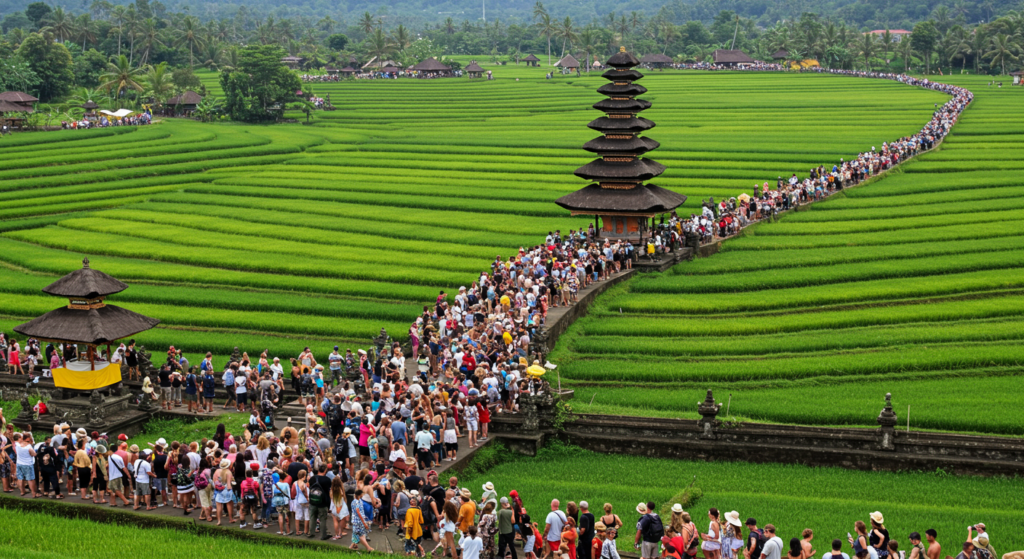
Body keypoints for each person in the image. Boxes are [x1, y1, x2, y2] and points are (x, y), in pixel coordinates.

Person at [330, 476, 349, 540]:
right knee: (341, 521)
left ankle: (336, 534)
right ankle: (340, 533)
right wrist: (339, 510)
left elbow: (332, 499)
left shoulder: (331, 490)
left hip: (333, 508)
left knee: (335, 521)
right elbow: (341, 501)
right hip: (340, 508)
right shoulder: (341, 491)